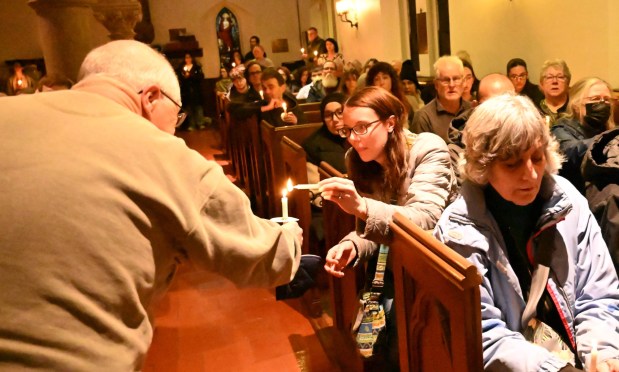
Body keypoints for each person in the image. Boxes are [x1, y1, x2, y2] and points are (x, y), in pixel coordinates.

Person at [0, 39, 303, 371]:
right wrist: (290, 234)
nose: (173, 133)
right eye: (175, 119)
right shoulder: (161, 153)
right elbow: (270, 259)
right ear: (152, 96)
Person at [434, 93, 619, 372]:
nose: (530, 174)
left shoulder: (569, 201)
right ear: (482, 164)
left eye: (536, 157)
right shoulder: (457, 230)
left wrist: (602, 355)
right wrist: (556, 370)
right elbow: (484, 335)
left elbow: (598, 295)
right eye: (512, 163)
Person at [321, 86, 457, 369]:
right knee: (373, 342)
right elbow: (371, 229)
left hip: (438, 265)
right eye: (348, 130)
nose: (354, 140)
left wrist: (362, 208)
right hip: (392, 263)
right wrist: (352, 245)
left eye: (362, 127)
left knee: (398, 338)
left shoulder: (427, 149)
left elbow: (425, 220)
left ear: (391, 122)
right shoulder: (357, 159)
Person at [551, 77, 615, 194]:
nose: (602, 103)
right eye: (595, 99)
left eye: (606, 100)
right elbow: (570, 152)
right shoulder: (561, 129)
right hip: (576, 196)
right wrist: (608, 140)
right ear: (576, 104)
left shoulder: (608, 129)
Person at [412, 55, 471, 144]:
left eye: (456, 79)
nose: (451, 85)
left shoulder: (473, 111)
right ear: (436, 85)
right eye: (446, 80)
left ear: (463, 82)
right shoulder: (424, 117)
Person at [302, 92, 348, 173]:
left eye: (340, 112)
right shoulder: (313, 145)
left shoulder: (358, 136)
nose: (335, 119)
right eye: (328, 115)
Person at [366, 61, 414, 128]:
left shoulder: (401, 101)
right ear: (372, 84)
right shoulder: (369, 105)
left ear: (392, 80)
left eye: (385, 77)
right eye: (377, 79)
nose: (381, 82)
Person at [177, 53, 206, 130]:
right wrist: (185, 77)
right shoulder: (181, 68)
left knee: (198, 107)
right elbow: (180, 79)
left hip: (196, 90)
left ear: (192, 58)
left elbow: (201, 77)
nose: (188, 59)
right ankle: (191, 124)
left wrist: (191, 76)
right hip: (187, 91)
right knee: (189, 108)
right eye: (186, 57)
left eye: (189, 57)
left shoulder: (197, 67)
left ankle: (200, 123)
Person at [538, 59, 571, 126]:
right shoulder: (534, 110)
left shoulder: (574, 109)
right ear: (542, 83)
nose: (555, 81)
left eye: (560, 77)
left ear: (567, 82)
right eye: (549, 77)